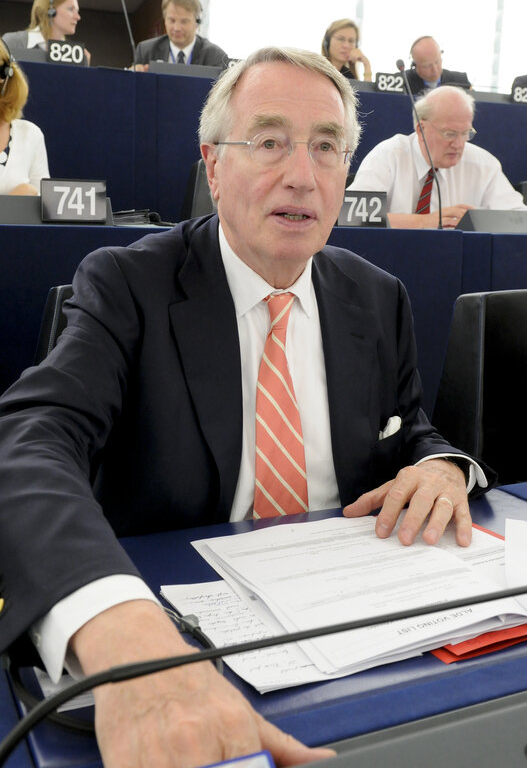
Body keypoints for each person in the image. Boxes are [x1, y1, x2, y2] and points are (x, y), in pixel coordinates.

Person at [0, 47, 492, 768]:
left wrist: (442, 467)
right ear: (213, 165)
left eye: (327, 147)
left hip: (348, 641)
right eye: (268, 142)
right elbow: (27, 440)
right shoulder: (127, 284)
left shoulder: (376, 294)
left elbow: (408, 427)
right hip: (179, 636)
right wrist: (119, 630)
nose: (301, 173)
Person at [348, 85, 527, 228]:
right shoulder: (389, 155)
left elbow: (521, 221)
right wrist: (424, 222)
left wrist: (479, 222)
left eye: (465, 133)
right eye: (449, 133)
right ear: (421, 129)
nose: (458, 144)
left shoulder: (483, 164)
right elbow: (353, 216)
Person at [133, 0, 228, 71]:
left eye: (184, 21)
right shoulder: (145, 51)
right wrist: (132, 76)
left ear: (197, 22)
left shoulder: (216, 57)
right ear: (165, 20)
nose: (177, 28)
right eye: (172, 20)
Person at [0, 38, 49, 196]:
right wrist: (14, 201)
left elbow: (44, 202)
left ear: (4, 75)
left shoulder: (31, 134)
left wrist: (29, 192)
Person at [2, 0, 90, 64]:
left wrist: (84, 70)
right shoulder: (13, 42)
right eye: (71, 9)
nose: (78, 17)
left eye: (77, 11)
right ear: (51, 11)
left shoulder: (75, 56)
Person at [405, 36, 471, 96]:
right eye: (427, 65)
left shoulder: (461, 81)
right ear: (415, 65)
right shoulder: (403, 82)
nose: (435, 70)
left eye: (437, 62)